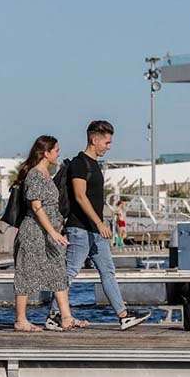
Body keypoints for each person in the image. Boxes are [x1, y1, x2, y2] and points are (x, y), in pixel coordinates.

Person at [49, 121, 150, 330]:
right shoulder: (80, 163)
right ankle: (54, 315)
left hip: (95, 230)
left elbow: (94, 198)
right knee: (70, 271)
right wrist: (99, 222)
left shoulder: (95, 164)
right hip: (80, 228)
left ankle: (123, 315)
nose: (109, 146)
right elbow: (79, 196)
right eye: (107, 142)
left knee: (107, 271)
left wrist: (104, 219)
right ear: (94, 140)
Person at [13, 136, 84, 332]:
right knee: (26, 274)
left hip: (51, 232)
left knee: (58, 271)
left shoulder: (46, 173)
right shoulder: (35, 175)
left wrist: (55, 230)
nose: (59, 153)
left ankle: (67, 317)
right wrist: (52, 232)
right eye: (56, 150)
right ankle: (21, 320)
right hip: (34, 232)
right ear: (46, 153)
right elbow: (36, 207)